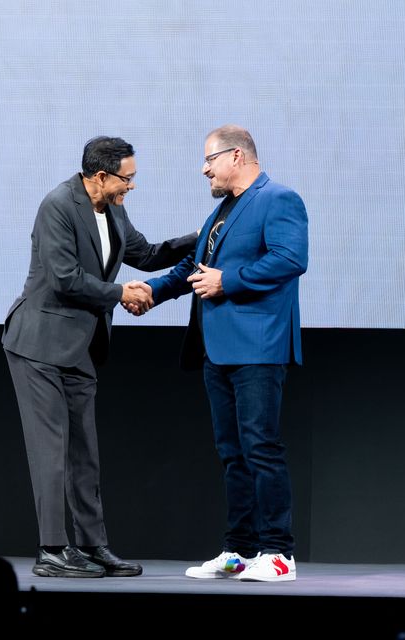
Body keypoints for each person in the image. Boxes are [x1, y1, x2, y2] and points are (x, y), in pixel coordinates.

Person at [2, 136, 197, 578]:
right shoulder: (58, 205)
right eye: (127, 179)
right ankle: (52, 549)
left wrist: (202, 236)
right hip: (38, 344)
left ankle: (92, 546)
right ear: (101, 175)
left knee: (85, 452)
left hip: (81, 348)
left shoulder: (113, 208)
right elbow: (65, 279)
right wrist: (119, 293)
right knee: (52, 451)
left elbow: (145, 256)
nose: (130, 186)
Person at [130, 125, 308, 582]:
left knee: (261, 447)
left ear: (236, 157)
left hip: (258, 346)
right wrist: (150, 290)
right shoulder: (222, 212)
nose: (204, 168)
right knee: (232, 452)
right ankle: (241, 549)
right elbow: (192, 269)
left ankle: (278, 552)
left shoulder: (279, 199)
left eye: (210, 160)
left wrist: (228, 280)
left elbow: (290, 259)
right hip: (217, 349)